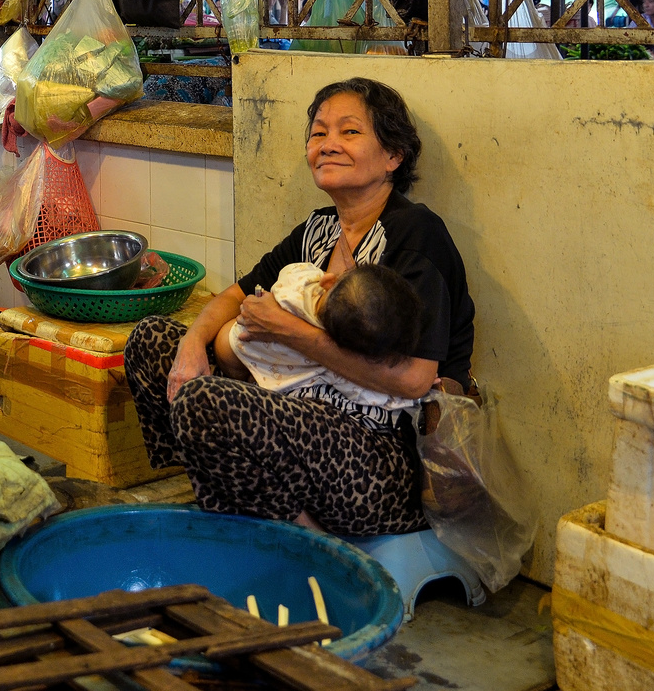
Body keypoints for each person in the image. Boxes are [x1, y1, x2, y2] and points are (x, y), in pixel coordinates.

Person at [124, 77, 476, 536]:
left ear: (393, 156)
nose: (328, 144)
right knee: (152, 341)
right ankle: (236, 498)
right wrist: (192, 343)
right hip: (300, 413)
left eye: (349, 132)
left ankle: (308, 537)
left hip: (380, 461)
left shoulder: (415, 234)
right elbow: (235, 294)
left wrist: (287, 333)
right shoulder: (319, 230)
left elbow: (413, 380)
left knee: (204, 402)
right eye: (318, 133)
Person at [224, 263, 424, 415]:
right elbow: (371, 396)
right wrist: (416, 399)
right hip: (243, 356)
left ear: (329, 281)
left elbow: (292, 269)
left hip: (233, 344)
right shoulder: (330, 360)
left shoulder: (299, 281)